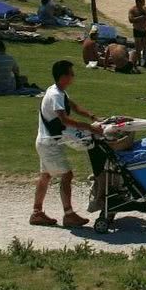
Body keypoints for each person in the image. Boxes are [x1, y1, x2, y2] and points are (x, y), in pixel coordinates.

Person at [31, 60, 101, 228]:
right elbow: (64, 119)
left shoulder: (57, 91)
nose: (73, 77)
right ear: (63, 77)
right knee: (67, 175)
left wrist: (91, 115)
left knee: (46, 176)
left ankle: (37, 213)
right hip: (50, 143)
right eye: (71, 73)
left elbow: (73, 106)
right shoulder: (55, 95)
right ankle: (68, 214)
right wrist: (89, 128)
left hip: (45, 141)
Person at [127, 0, 146, 68]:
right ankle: (138, 62)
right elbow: (131, 20)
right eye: (143, 0)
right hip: (137, 30)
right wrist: (141, 17)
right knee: (138, 48)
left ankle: (145, 62)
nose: (144, 2)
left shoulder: (145, 9)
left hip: (145, 30)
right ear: (138, 1)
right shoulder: (132, 10)